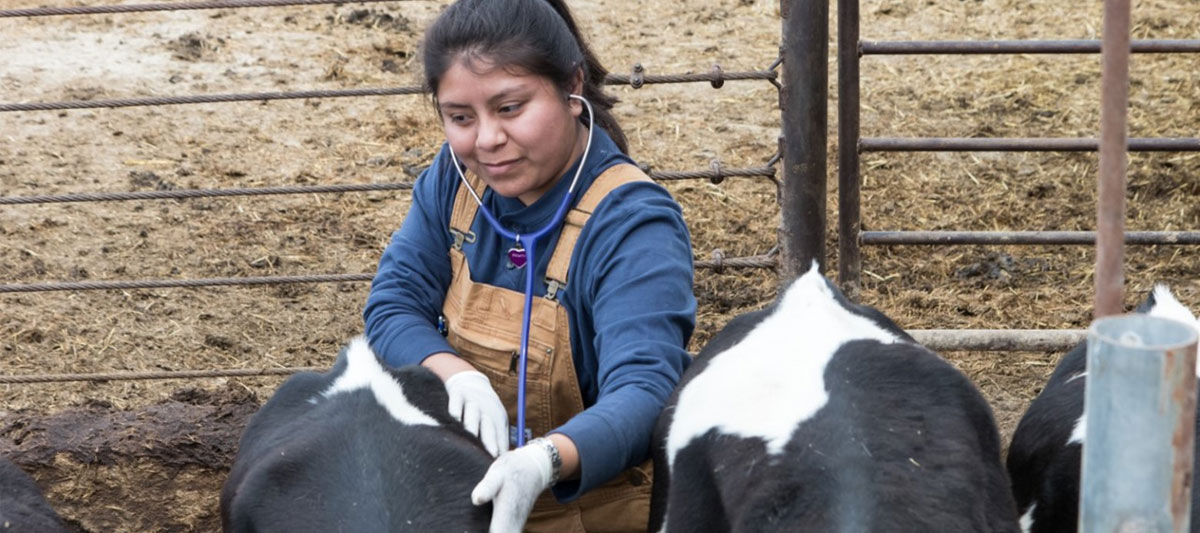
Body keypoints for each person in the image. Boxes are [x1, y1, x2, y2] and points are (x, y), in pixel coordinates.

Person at [362, 0, 696, 531]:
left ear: (573, 87)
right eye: (461, 118)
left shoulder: (633, 223)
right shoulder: (455, 180)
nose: (487, 140)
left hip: (592, 511)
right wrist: (456, 374)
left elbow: (644, 391)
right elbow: (393, 304)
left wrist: (544, 461)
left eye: (511, 108)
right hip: (459, 496)